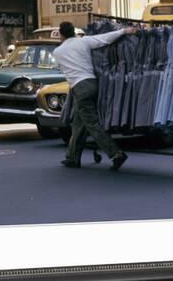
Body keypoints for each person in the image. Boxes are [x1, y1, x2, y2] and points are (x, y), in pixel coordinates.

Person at [53, 21, 137, 170]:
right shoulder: (83, 42)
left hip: (79, 88)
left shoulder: (58, 52)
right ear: (74, 32)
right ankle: (72, 157)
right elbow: (104, 38)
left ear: (61, 34)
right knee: (79, 122)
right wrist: (123, 31)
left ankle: (116, 154)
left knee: (92, 124)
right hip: (93, 83)